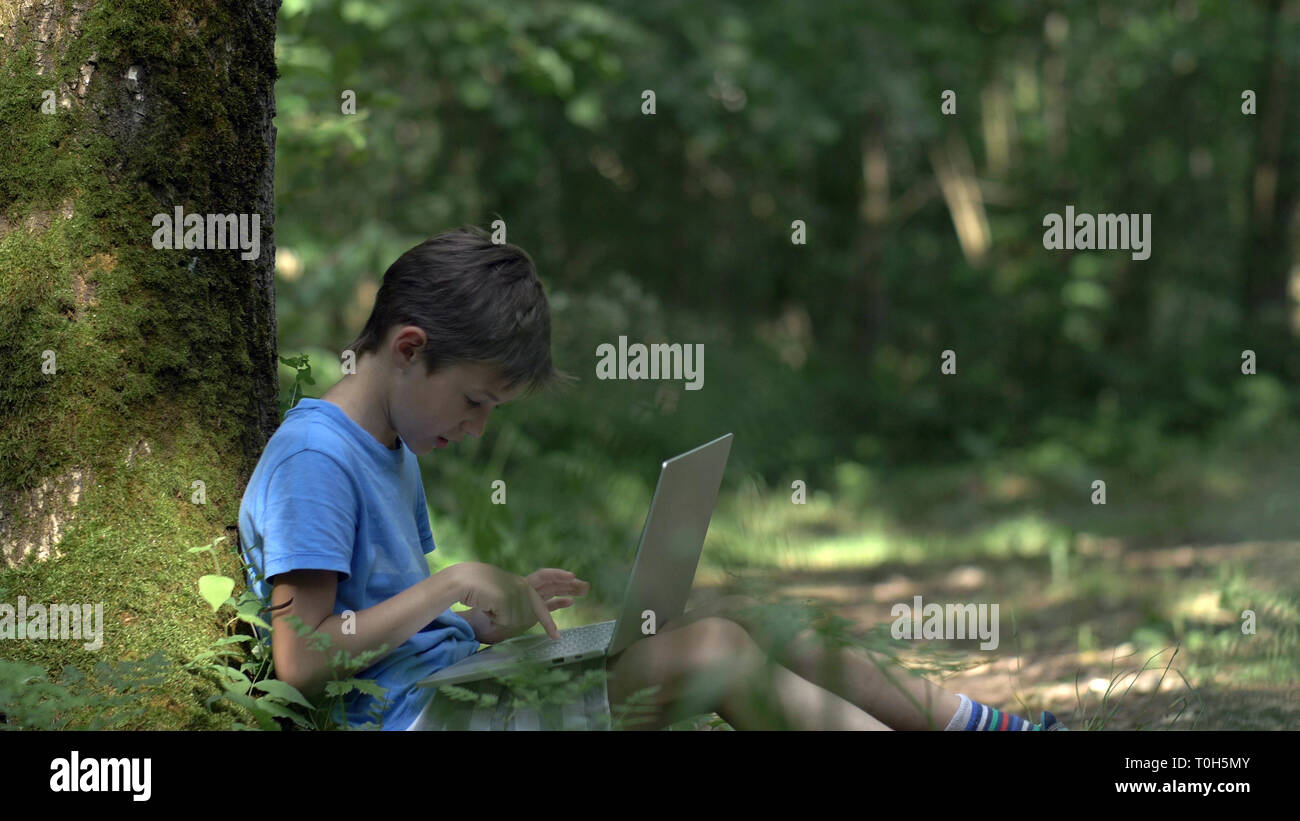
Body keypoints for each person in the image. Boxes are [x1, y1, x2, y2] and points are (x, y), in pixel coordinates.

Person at [238, 225, 1069, 732]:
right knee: (710, 651)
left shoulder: (388, 444)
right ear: (411, 348)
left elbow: (386, 627)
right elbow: (302, 661)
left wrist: (490, 614)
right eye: (477, 400)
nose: (477, 427)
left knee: (746, 617)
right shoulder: (318, 458)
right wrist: (453, 580)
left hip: (455, 689)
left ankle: (989, 724)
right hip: (422, 720)